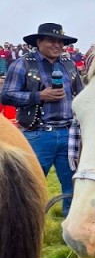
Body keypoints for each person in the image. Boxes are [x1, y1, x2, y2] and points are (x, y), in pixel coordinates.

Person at [1, 22, 85, 216]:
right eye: (51, 40)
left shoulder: (69, 64)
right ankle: (27, 230)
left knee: (74, 185)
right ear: (39, 42)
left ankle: (70, 228)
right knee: (29, 187)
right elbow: (6, 95)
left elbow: (81, 96)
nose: (56, 45)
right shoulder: (22, 63)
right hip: (37, 134)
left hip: (69, 134)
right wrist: (39, 96)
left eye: (60, 42)